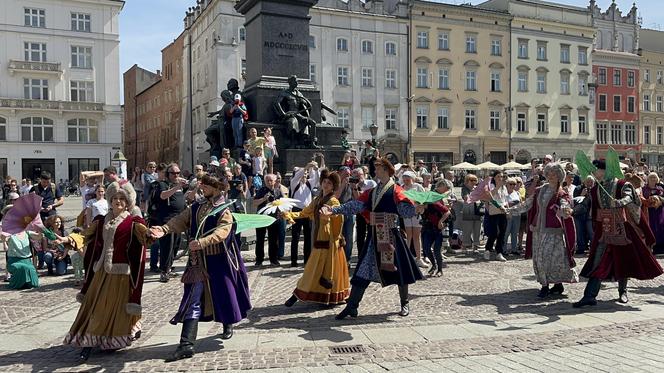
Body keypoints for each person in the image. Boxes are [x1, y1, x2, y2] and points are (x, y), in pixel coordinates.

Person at [150, 174, 251, 361]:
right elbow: (180, 220)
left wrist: (203, 242)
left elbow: (223, 231)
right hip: (197, 262)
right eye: (201, 184)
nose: (201, 187)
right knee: (192, 298)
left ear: (216, 188)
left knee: (224, 294)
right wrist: (163, 229)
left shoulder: (224, 209)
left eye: (206, 185)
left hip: (219, 260)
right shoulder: (196, 207)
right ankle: (186, 344)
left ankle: (227, 322)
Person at [322, 158, 424, 319]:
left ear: (385, 170)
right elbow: (356, 205)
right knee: (362, 270)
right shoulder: (373, 192)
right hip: (374, 235)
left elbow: (405, 211)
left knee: (400, 271)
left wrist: (416, 209)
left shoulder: (396, 190)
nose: (375, 171)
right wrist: (335, 210)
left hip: (391, 236)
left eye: (378, 168)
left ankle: (405, 303)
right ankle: (352, 307)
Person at [63, 183, 149, 361]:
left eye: (122, 199)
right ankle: (88, 341)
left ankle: (111, 339)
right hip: (100, 271)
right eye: (115, 198)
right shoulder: (101, 220)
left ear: (127, 203)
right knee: (92, 306)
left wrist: (154, 233)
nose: (118, 201)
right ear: (110, 200)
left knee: (113, 308)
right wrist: (69, 238)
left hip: (120, 274)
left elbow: (146, 237)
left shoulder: (133, 222)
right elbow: (85, 235)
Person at [574, 160, 664, 308]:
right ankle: (589, 296)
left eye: (596, 170)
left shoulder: (622, 184)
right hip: (604, 229)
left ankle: (623, 291)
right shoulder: (596, 188)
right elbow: (586, 204)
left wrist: (620, 202)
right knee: (597, 261)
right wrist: (572, 211)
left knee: (624, 259)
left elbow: (630, 197)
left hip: (622, 229)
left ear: (604, 170)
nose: (594, 172)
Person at [508, 163, 578, 298]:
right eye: (549, 174)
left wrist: (565, 210)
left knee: (553, 258)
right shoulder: (540, 190)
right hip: (538, 230)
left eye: (554, 175)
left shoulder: (562, 193)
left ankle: (555, 284)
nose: (551, 177)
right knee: (539, 258)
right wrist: (511, 210)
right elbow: (528, 204)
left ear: (559, 177)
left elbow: (565, 206)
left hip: (553, 231)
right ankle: (545, 285)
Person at [284, 171, 350, 307]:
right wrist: (288, 214)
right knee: (315, 268)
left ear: (333, 187)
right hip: (320, 239)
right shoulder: (317, 199)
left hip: (329, 241)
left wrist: (328, 219)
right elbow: (304, 212)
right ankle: (304, 294)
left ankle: (303, 295)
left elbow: (339, 218)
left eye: (329, 183)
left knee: (317, 268)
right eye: (324, 182)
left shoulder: (333, 201)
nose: (326, 185)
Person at [153, 163, 187, 282]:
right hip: (167, 220)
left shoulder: (178, 186)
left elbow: (187, 198)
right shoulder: (163, 184)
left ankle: (169, 268)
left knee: (176, 245)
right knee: (167, 246)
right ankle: (164, 271)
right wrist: (177, 186)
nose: (176, 175)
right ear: (168, 174)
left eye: (178, 173)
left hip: (179, 219)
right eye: (173, 173)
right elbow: (163, 196)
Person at [289, 162, 320, 266]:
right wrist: (306, 167)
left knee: (308, 237)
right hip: (296, 211)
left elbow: (317, 179)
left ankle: (307, 260)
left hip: (307, 212)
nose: (305, 175)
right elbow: (297, 176)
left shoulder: (309, 183)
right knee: (295, 237)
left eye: (306, 174)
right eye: (303, 173)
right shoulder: (294, 183)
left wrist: (315, 169)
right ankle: (294, 261)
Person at [420, 179, 452, 277]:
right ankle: (434, 265)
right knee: (426, 248)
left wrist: (440, 221)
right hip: (427, 227)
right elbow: (421, 213)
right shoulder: (430, 198)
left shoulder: (436, 201)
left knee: (437, 250)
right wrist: (421, 208)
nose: (446, 191)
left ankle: (439, 269)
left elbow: (447, 211)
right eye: (446, 188)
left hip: (437, 228)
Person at [254, 174, 284, 266]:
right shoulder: (261, 190)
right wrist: (264, 199)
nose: (269, 182)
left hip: (273, 218)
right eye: (267, 180)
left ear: (275, 181)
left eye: (271, 180)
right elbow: (254, 203)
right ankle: (259, 259)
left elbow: (283, 203)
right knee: (260, 239)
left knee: (273, 240)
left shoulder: (278, 191)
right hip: (261, 218)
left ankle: (273, 259)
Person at [401, 171, 428, 268]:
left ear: (412, 178)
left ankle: (418, 258)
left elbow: (425, 199)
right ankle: (407, 257)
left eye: (407, 179)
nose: (406, 181)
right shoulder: (402, 187)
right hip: (407, 214)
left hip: (417, 213)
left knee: (417, 235)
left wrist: (421, 205)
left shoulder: (417, 187)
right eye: (404, 179)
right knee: (409, 235)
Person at [481, 171, 508, 262]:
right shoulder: (491, 186)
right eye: (498, 176)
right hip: (493, 211)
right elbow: (490, 196)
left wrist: (506, 207)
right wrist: (497, 186)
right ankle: (487, 249)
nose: (501, 178)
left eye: (502, 176)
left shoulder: (504, 187)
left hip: (503, 211)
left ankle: (499, 252)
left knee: (502, 232)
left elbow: (505, 199)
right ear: (494, 177)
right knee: (494, 232)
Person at [350, 168, 376, 259]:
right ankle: (361, 256)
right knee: (360, 235)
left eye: (359, 175)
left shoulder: (371, 183)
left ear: (364, 174)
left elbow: (372, 197)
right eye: (355, 176)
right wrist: (354, 188)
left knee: (371, 233)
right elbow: (358, 199)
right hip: (360, 212)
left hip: (370, 212)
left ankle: (371, 255)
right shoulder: (352, 186)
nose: (358, 178)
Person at [336, 167, 355, 263]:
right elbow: (336, 196)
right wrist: (343, 185)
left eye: (349, 174)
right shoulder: (335, 184)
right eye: (345, 174)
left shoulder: (351, 184)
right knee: (338, 237)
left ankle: (347, 259)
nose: (348, 176)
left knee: (349, 237)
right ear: (339, 174)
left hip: (349, 213)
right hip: (338, 214)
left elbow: (356, 198)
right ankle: (339, 259)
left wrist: (354, 187)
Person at [460, 174, 483, 253]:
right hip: (468, 210)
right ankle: (464, 246)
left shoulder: (476, 188)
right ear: (467, 181)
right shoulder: (464, 188)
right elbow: (466, 198)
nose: (474, 182)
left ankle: (475, 247)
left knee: (477, 228)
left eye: (475, 180)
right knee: (467, 229)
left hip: (477, 210)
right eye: (472, 180)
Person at [642, 172, 664, 254]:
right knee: (651, 227)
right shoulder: (644, 189)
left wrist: (659, 199)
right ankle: (651, 246)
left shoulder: (661, 189)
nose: (653, 179)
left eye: (654, 177)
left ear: (657, 179)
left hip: (659, 212)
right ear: (648, 179)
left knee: (660, 227)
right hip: (649, 212)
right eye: (651, 177)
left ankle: (660, 247)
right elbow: (642, 199)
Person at [572, 176, 594, 255]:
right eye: (588, 182)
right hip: (579, 215)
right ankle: (581, 248)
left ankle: (593, 247)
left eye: (591, 182)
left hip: (589, 215)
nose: (589, 184)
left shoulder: (594, 190)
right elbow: (575, 201)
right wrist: (582, 195)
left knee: (591, 232)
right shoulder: (578, 188)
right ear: (584, 182)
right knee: (579, 232)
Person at [503, 178, 522, 256]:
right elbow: (503, 204)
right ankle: (503, 249)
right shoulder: (504, 193)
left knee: (515, 233)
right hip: (508, 215)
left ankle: (514, 249)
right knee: (506, 233)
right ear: (506, 184)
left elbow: (521, 203)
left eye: (514, 184)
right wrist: (512, 203)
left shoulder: (517, 193)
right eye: (510, 184)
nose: (512, 186)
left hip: (517, 215)